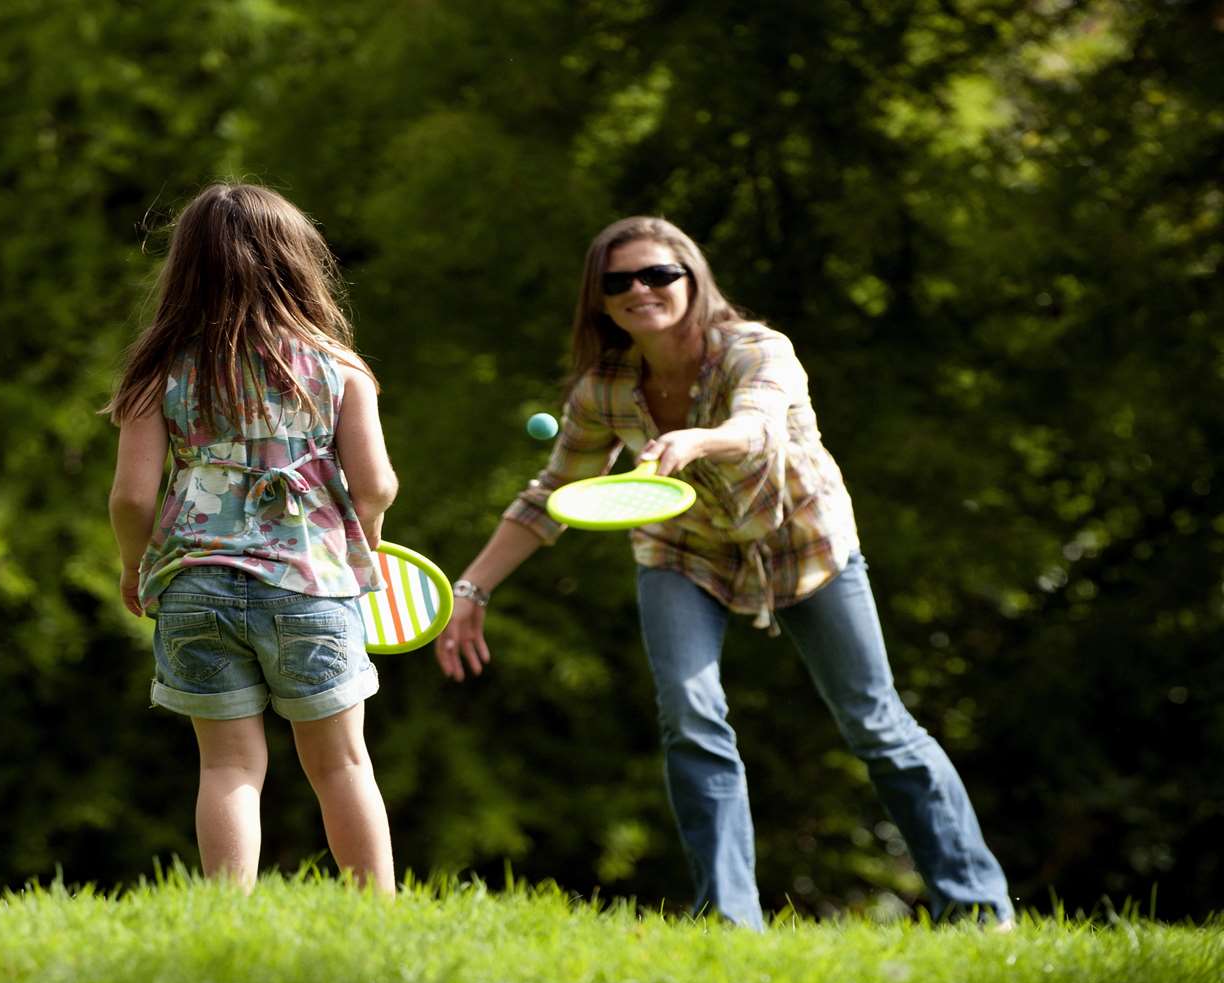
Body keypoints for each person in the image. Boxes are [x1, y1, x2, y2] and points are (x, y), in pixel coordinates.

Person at [435, 215, 1013, 929]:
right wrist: (471, 588)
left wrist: (700, 440)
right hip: (683, 553)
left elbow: (760, 424)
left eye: (657, 274)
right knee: (690, 712)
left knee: (875, 723)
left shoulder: (755, 350)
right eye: (618, 282)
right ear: (600, 300)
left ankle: (979, 905)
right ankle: (732, 920)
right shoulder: (604, 390)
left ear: (692, 278)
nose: (640, 290)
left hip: (802, 543)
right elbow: (552, 496)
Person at [106, 182, 399, 894]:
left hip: (196, 583)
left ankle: (226, 920)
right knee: (341, 765)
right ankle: (383, 920)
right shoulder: (339, 369)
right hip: (310, 580)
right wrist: (370, 542)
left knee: (228, 766)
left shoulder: (159, 372)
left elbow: (131, 495)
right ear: (298, 262)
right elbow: (377, 484)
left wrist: (134, 567)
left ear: (186, 269)